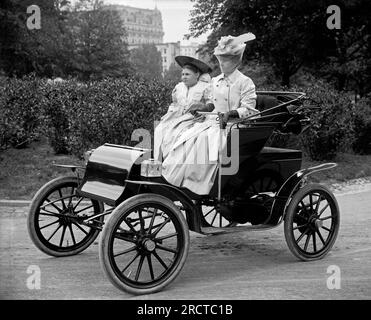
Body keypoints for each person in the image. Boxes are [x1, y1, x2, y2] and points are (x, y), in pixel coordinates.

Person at [160, 33, 259, 195]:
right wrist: (204, 108)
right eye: (220, 60)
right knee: (186, 138)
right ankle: (178, 181)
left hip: (234, 125)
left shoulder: (244, 82)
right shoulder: (216, 81)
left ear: (235, 61)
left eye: (225, 60)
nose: (222, 64)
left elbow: (249, 109)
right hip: (213, 122)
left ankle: (197, 184)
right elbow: (213, 104)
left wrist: (231, 113)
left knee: (204, 142)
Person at [154, 56, 212, 161]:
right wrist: (170, 113)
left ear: (197, 75)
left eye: (187, 74)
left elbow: (211, 104)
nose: (184, 77)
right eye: (183, 74)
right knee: (159, 130)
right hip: (176, 117)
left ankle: (172, 163)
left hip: (195, 119)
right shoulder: (179, 87)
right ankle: (158, 161)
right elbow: (174, 103)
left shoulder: (204, 87)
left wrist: (202, 107)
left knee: (180, 135)